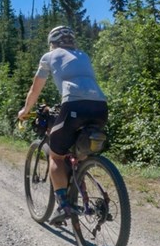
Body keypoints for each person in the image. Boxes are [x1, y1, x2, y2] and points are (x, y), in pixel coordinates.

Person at [17, 25, 108, 224]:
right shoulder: (83, 55)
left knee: (57, 155)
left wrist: (25, 111)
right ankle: (81, 179)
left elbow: (35, 89)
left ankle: (64, 205)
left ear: (53, 42)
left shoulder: (49, 56)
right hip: (101, 107)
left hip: (74, 106)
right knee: (80, 154)